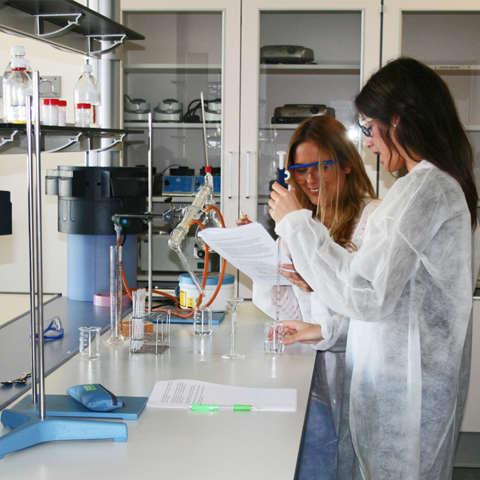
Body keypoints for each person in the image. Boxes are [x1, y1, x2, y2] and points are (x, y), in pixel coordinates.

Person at [268, 57, 479, 480]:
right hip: (391, 384)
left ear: (397, 121)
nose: (366, 143)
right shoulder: (417, 188)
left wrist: (296, 225)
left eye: (368, 128)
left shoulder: (427, 188)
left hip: (406, 395)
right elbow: (393, 302)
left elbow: (366, 294)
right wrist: (327, 331)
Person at [238, 114, 380, 479]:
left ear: (347, 164)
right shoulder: (302, 221)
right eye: (300, 171)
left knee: (352, 461)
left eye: (321, 167)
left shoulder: (373, 219)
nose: (310, 180)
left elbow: (367, 305)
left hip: (360, 368)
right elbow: (287, 308)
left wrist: (314, 282)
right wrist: (260, 256)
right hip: (310, 367)